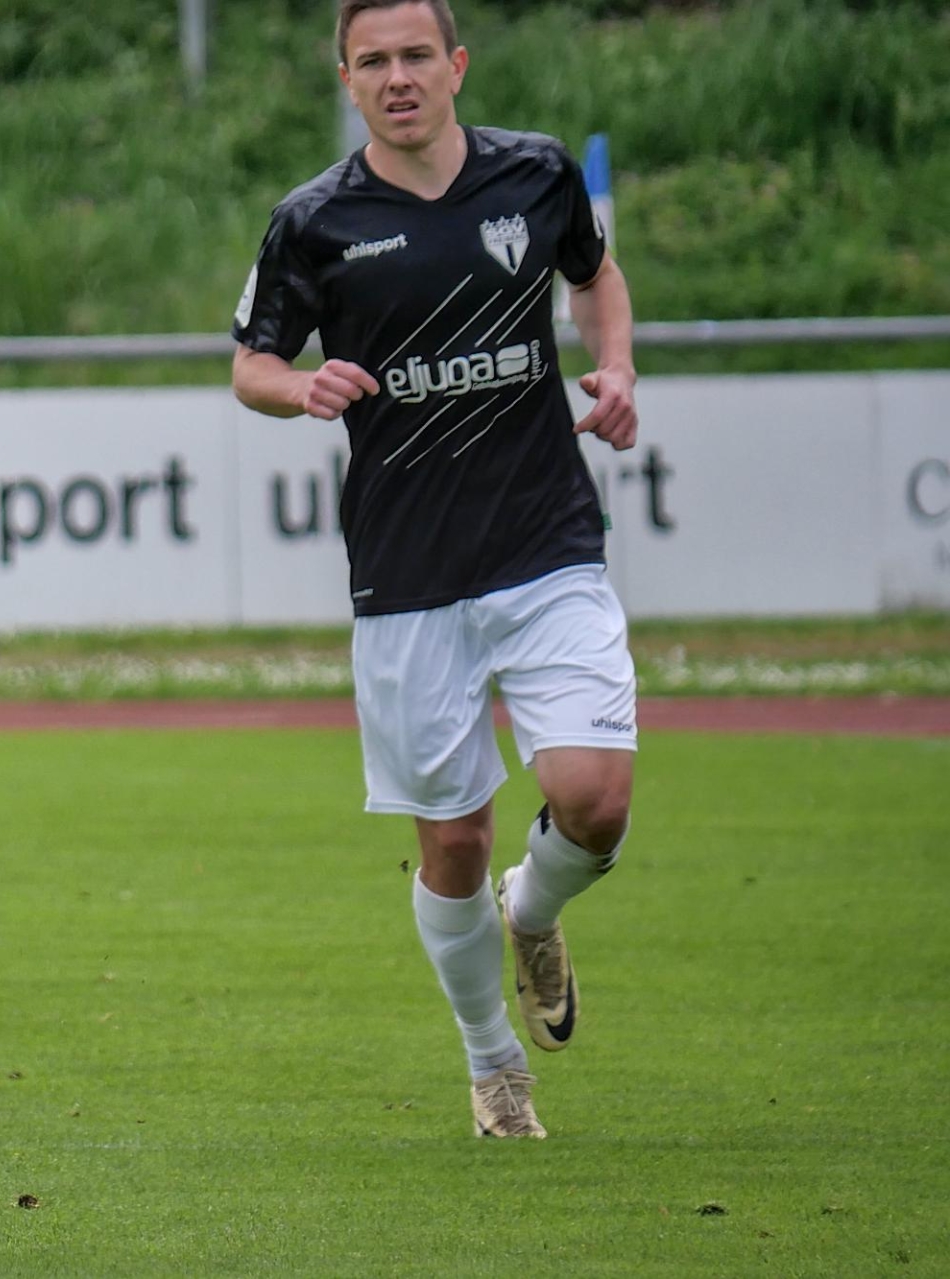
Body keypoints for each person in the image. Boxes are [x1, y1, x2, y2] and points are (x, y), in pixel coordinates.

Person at [230, 0, 639, 1139]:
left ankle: (534, 908)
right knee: (452, 840)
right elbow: (253, 364)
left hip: (546, 541)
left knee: (595, 800)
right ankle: (492, 1060)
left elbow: (596, 275)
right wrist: (299, 386)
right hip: (407, 572)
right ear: (347, 80)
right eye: (374, 61)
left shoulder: (535, 175)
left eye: (417, 55)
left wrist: (614, 367)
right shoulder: (313, 220)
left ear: (456, 65)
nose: (398, 76)